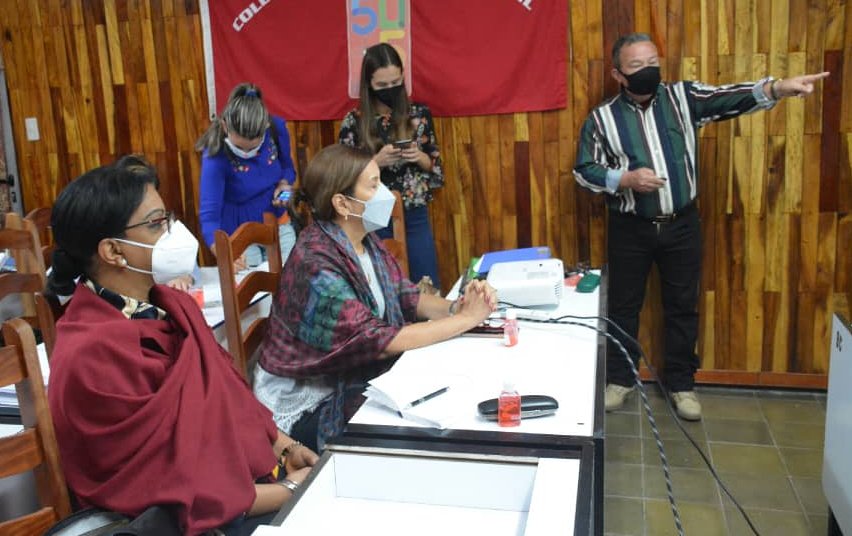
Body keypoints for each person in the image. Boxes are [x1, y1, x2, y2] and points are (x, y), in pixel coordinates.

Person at [46, 155, 318, 536]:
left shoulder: (170, 308)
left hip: (245, 489)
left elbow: (229, 397)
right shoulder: (90, 356)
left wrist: (285, 447)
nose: (176, 232)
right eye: (157, 224)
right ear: (112, 251)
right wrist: (289, 490)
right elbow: (172, 492)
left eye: (168, 218)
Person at [573, 32, 828, 420]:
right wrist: (625, 179)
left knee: (682, 306)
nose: (648, 71)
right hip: (630, 228)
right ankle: (620, 380)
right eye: (637, 66)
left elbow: (730, 98)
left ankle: (681, 385)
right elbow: (583, 171)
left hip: (682, 225)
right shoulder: (602, 118)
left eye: (652, 62)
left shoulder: (682, 99)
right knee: (624, 307)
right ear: (618, 74)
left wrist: (778, 88)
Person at [253, 144, 496, 452]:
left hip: (349, 374)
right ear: (342, 203)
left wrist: (455, 306)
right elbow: (378, 341)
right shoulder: (314, 263)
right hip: (308, 401)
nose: (386, 193)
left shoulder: (364, 241)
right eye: (374, 185)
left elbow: (407, 297)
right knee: (421, 429)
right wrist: (465, 320)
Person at [339, 43, 444, 287]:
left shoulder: (418, 114)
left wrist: (418, 156)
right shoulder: (355, 122)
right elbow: (343, 177)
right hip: (372, 217)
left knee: (426, 284)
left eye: (396, 83)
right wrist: (376, 162)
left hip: (414, 213)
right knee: (385, 287)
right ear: (369, 85)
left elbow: (434, 165)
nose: (390, 90)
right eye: (382, 86)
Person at [197, 82, 297, 268]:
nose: (246, 153)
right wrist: (224, 254)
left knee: (290, 276)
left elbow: (288, 170)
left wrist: (284, 185)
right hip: (238, 230)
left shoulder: (276, 130)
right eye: (240, 147)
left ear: (265, 126)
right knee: (252, 285)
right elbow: (209, 215)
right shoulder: (216, 154)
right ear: (225, 127)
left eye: (253, 147)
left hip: (277, 222)